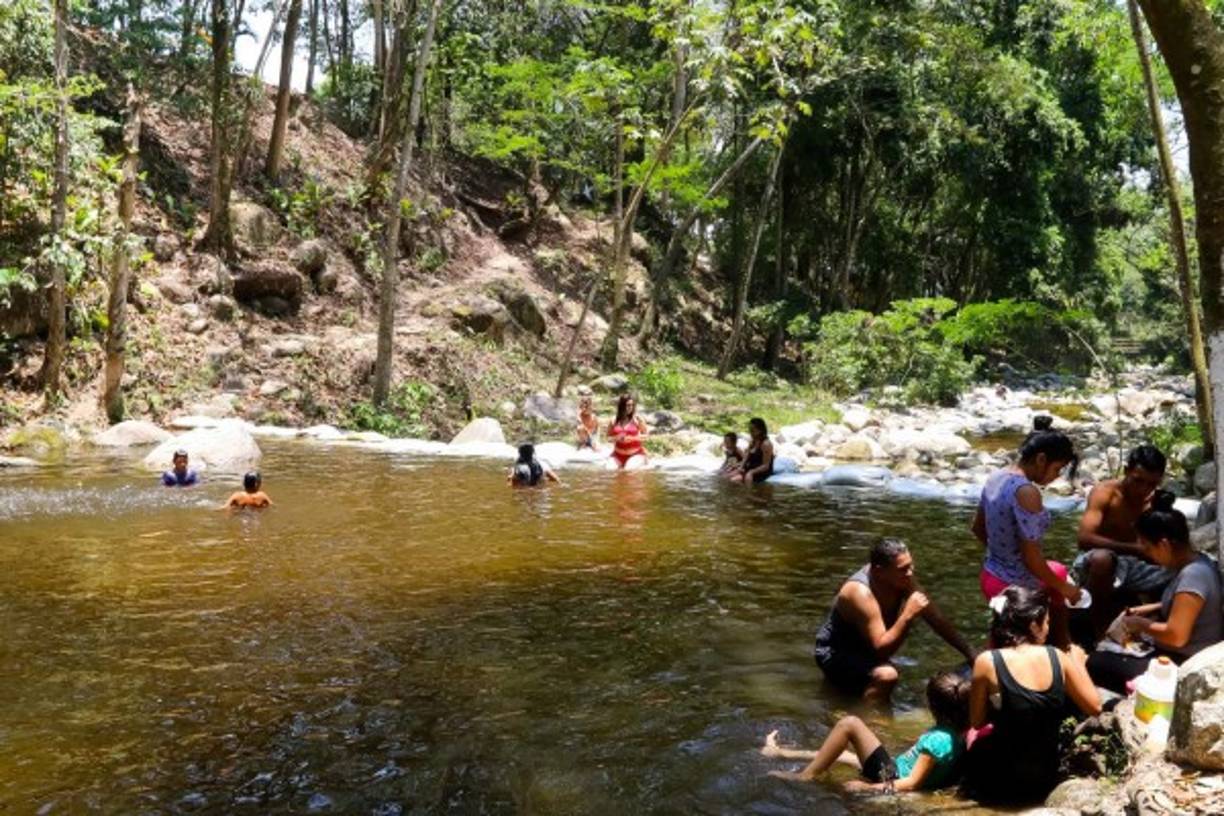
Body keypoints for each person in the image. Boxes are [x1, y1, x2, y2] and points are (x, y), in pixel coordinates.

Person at [962, 586, 1102, 806]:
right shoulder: (1057, 656)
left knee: (971, 735)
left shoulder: (987, 662)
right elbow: (1095, 707)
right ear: (1033, 624)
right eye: (1045, 622)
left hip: (1000, 779)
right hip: (1045, 777)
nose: (1047, 629)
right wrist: (1078, 661)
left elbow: (977, 721)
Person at [1086, 491, 1224, 694]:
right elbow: (1188, 606)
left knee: (1095, 663)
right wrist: (1151, 608)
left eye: (1147, 547)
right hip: (1183, 652)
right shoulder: (1198, 562)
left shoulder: (1193, 576)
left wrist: (1140, 625)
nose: (1145, 553)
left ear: (1164, 545)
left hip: (1186, 663)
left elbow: (1177, 636)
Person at [813, 538, 977, 701]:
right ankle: (870, 720)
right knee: (887, 676)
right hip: (837, 652)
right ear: (879, 571)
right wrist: (908, 614)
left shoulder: (902, 578)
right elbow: (882, 649)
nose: (910, 573)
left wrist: (970, 652)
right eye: (903, 569)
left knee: (873, 677)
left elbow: (935, 617)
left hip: (866, 646)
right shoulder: (859, 593)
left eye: (911, 565)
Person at [762, 671, 969, 793]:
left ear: (933, 705)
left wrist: (867, 788)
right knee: (843, 754)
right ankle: (781, 753)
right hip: (893, 769)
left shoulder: (937, 741)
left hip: (890, 775)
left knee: (849, 724)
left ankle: (805, 776)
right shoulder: (957, 732)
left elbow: (912, 782)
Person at [972, 416, 1080, 648]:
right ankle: (1061, 646)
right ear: (1041, 459)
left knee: (1058, 571)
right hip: (1016, 587)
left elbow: (978, 529)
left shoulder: (996, 478)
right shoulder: (1027, 492)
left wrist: (1003, 555)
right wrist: (1067, 589)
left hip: (990, 576)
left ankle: (1060, 642)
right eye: (1057, 469)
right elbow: (1032, 561)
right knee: (1059, 582)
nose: (1056, 477)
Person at [1072, 445, 1172, 639]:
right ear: (1127, 471)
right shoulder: (1105, 492)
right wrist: (1135, 549)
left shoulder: (1157, 501)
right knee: (1102, 559)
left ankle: (1162, 630)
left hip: (1136, 566)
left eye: (1151, 484)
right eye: (1138, 481)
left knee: (1186, 568)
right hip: (1097, 560)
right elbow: (1084, 539)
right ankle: (1098, 632)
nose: (1143, 489)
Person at [607, 394, 648, 470]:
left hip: (635, 454)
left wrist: (632, 438)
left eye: (632, 405)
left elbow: (646, 437)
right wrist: (617, 438)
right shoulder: (613, 420)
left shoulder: (637, 419)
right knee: (609, 469)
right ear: (621, 406)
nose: (630, 408)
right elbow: (608, 438)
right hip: (618, 455)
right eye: (628, 405)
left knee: (628, 470)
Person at [729, 417, 774, 484]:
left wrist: (751, 472)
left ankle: (749, 493)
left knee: (734, 480)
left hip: (761, 471)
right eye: (749, 430)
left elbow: (766, 466)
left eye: (752, 430)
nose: (750, 433)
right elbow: (746, 456)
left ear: (760, 430)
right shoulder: (752, 442)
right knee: (727, 476)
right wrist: (740, 467)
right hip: (751, 467)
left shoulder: (766, 444)